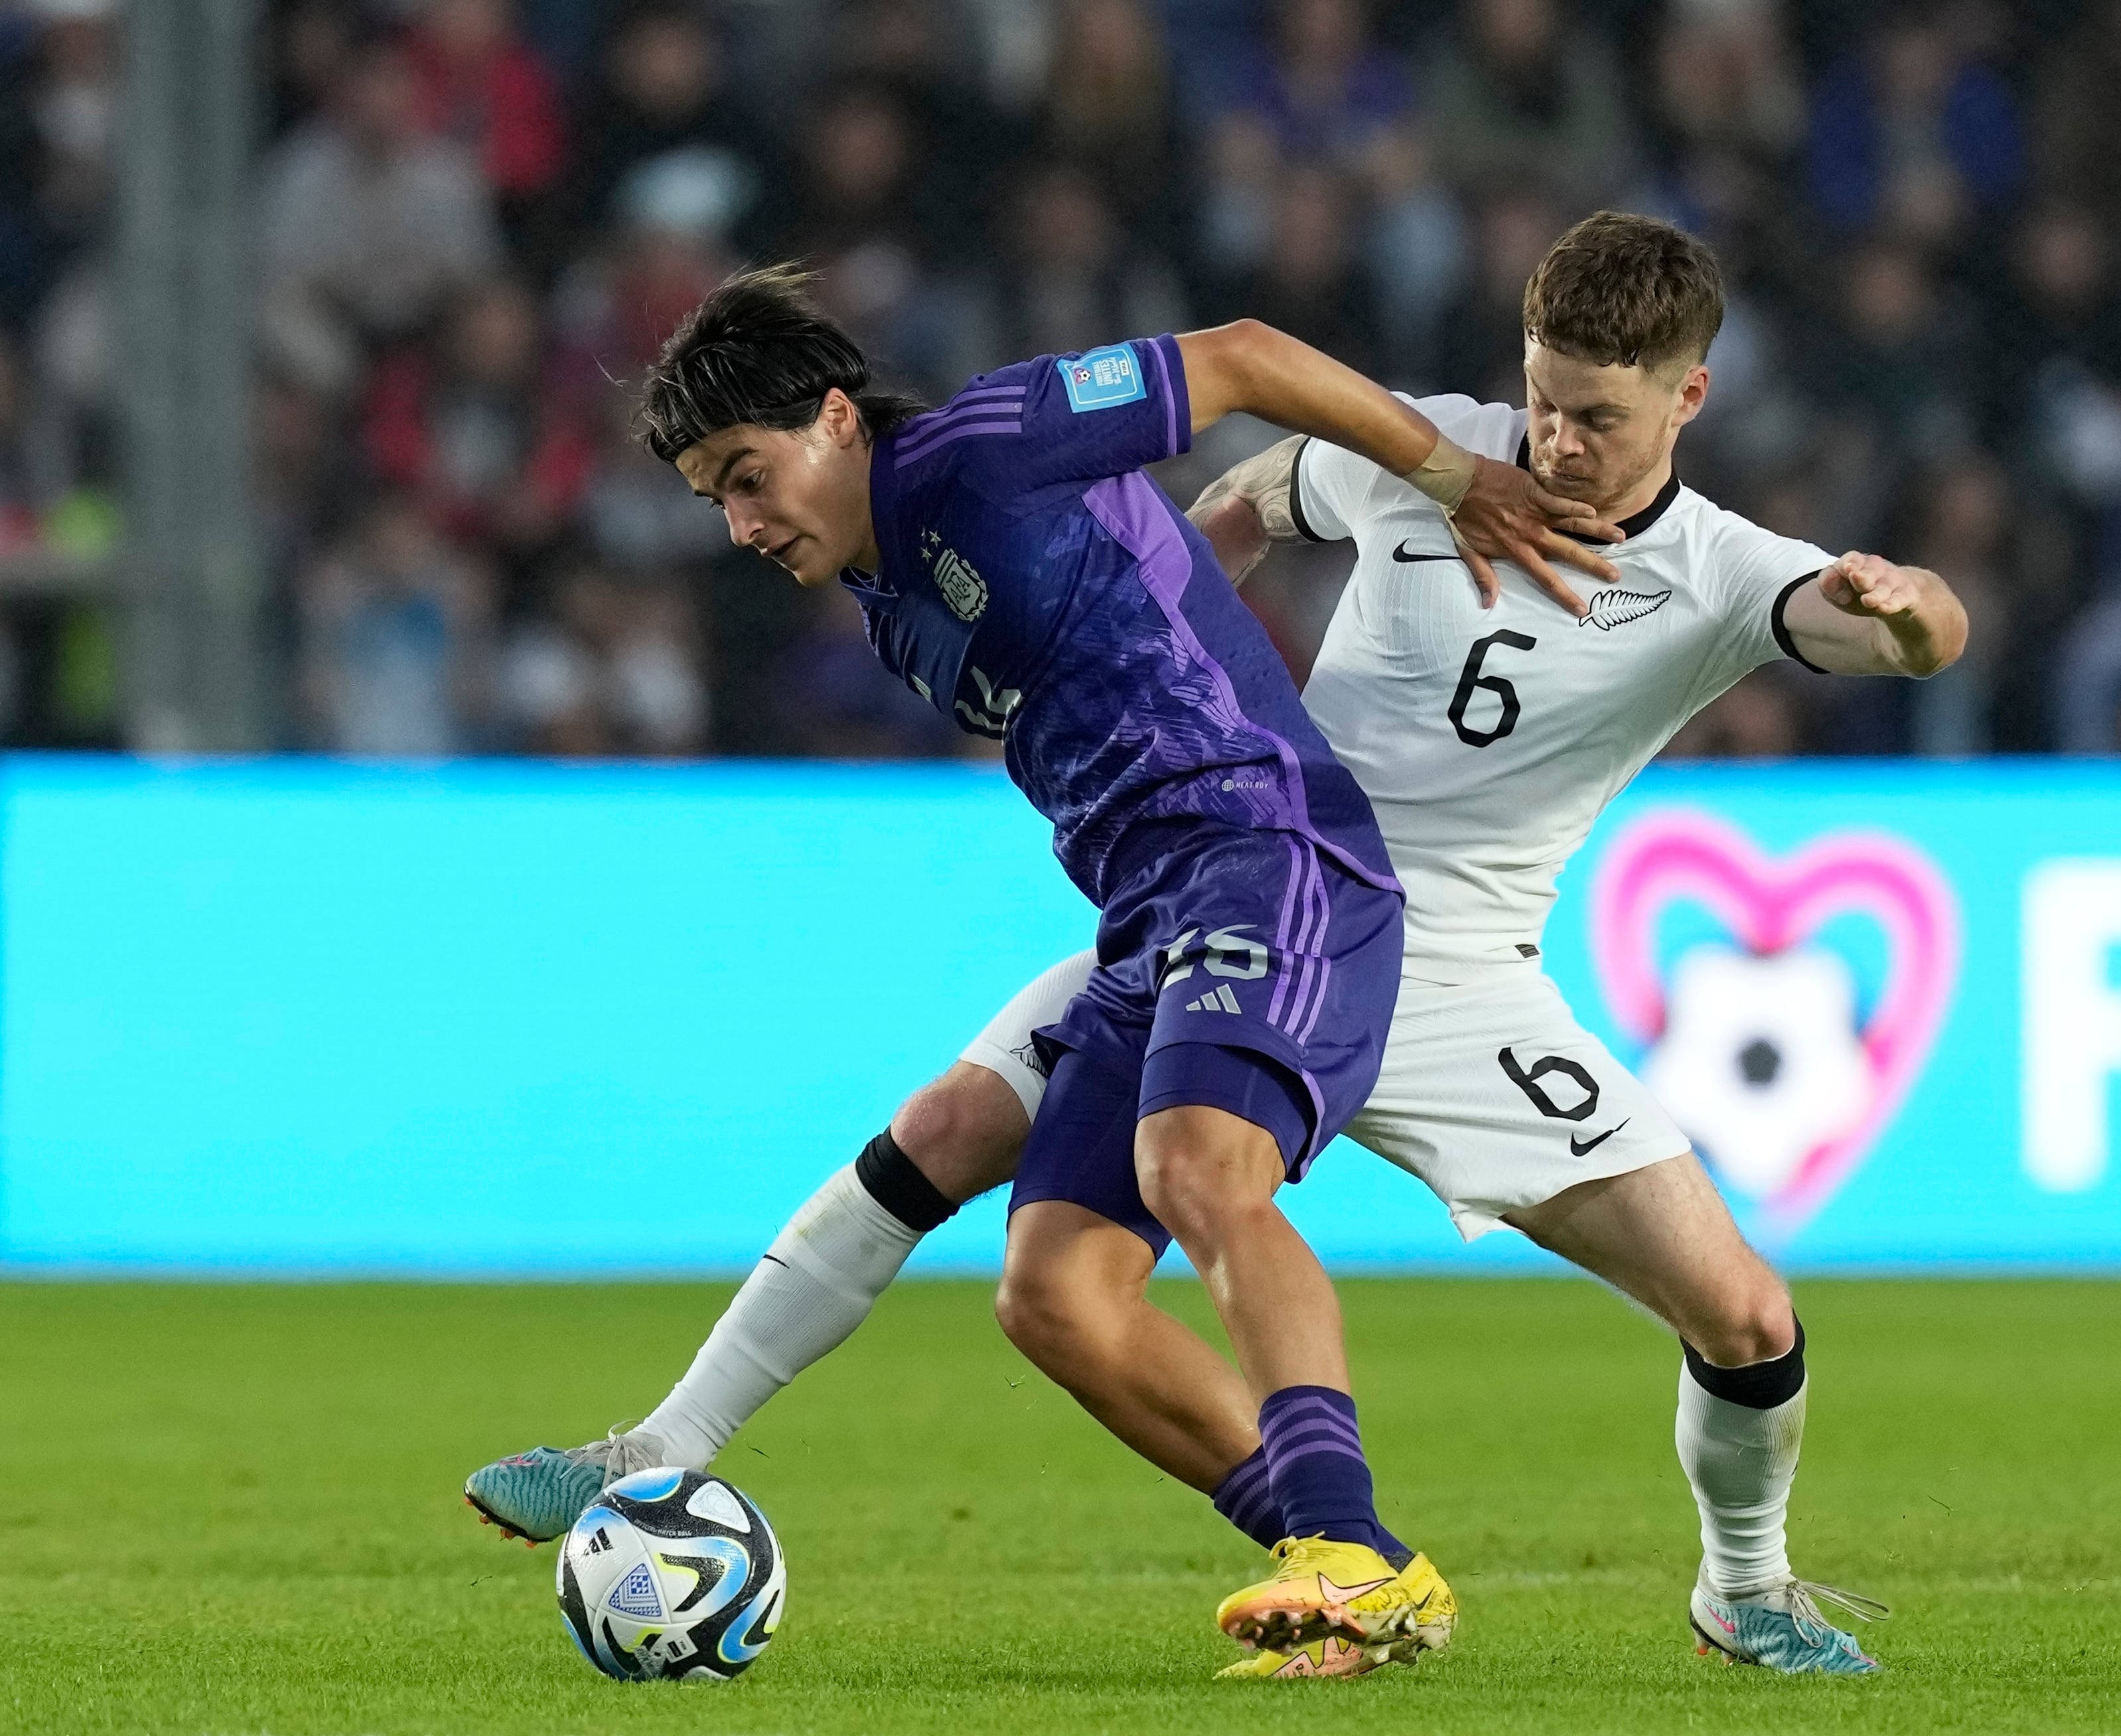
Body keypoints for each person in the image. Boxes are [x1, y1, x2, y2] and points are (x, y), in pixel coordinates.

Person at [470, 215, 1967, 1679]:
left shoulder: (1715, 565)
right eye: (1543, 403)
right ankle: (674, 1447)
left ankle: (1739, 1588)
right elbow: (1256, 491)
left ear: (1687, 398)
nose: (1557, 443)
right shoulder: (1412, 451)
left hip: (1391, 936)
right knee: (1011, 1235)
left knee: (1743, 1316)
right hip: (1209, 902)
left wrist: (1911, 614)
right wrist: (1171, 589)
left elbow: (1891, 633)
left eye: (1598, 418)